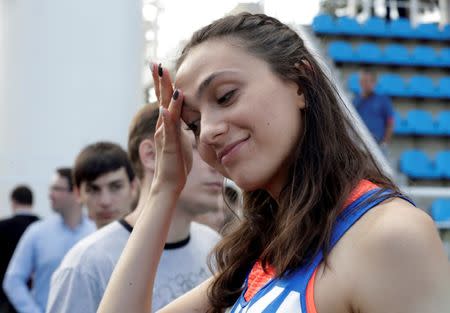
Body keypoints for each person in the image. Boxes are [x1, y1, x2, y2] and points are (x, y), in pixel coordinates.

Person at [98, 13, 450, 313]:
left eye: (225, 96)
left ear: (300, 81)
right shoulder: (263, 255)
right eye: (193, 123)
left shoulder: (390, 237)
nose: (207, 133)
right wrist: (163, 188)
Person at [47, 106, 222, 313]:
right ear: (150, 155)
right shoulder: (87, 264)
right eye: (195, 146)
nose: (215, 161)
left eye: (214, 147)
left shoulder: (213, 245)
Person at [3, 168, 95, 313]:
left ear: (76, 192)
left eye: (57, 189)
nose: (50, 194)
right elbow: (13, 279)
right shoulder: (37, 232)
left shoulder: (94, 233)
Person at [72, 141, 137, 229]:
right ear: (78, 194)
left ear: (133, 187)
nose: (105, 201)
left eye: (116, 187)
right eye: (93, 190)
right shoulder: (81, 242)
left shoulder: (158, 241)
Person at [0, 186, 39, 313]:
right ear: (32, 202)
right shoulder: (42, 228)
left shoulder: (3, 227)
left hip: (6, 296)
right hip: (37, 297)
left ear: (13, 202)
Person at [353, 69, 394, 153]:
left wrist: (385, 142)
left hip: (377, 144)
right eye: (363, 81)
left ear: (374, 83)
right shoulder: (355, 101)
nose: (366, 84)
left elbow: (390, 121)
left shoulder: (382, 100)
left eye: (369, 81)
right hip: (360, 143)